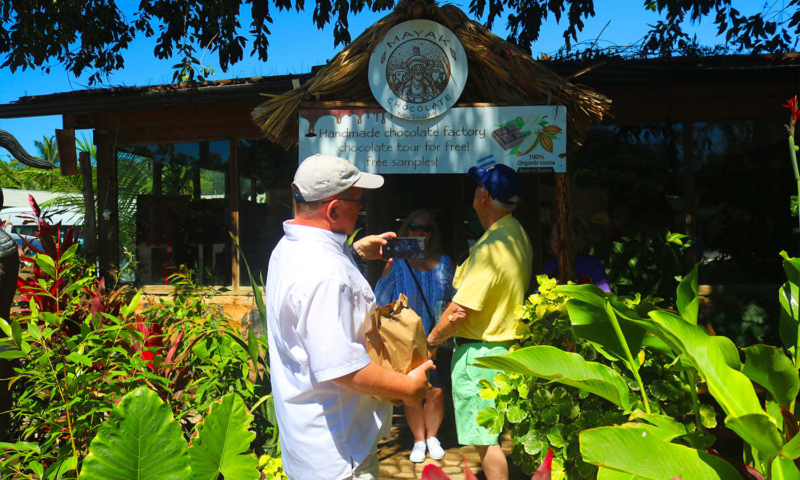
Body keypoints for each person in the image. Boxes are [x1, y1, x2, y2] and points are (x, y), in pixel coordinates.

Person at [265, 154, 433, 480]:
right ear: (334, 210)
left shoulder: (288, 248)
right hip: (340, 459)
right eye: (359, 201)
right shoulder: (326, 273)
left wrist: (353, 251)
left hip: (312, 442)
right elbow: (341, 368)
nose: (362, 209)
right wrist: (408, 389)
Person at [426, 164, 533, 480]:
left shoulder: (490, 248)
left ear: (484, 196)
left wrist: (430, 342)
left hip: (479, 356)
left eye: (476, 187)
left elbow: (460, 311)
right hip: (504, 350)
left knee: (486, 443)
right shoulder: (517, 235)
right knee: (494, 438)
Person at [375, 208, 455, 463]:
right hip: (406, 340)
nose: (419, 233)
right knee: (411, 392)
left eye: (425, 228)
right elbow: (379, 299)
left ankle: (433, 436)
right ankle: (419, 440)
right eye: (414, 228)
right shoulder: (397, 263)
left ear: (433, 233)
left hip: (437, 337)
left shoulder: (445, 263)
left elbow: (458, 299)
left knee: (437, 391)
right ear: (406, 231)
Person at [542, 218, 611, 292]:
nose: (555, 241)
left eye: (560, 235)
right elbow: (538, 294)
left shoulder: (591, 264)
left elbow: (605, 293)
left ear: (578, 237)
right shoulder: (549, 266)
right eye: (552, 237)